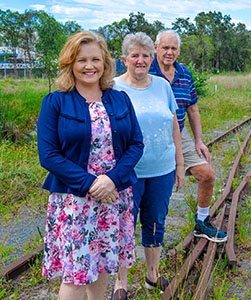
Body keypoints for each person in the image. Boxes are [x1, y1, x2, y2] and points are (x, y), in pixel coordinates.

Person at [37, 31, 143, 300]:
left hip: (113, 197)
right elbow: (48, 155)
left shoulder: (120, 99)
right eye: (81, 60)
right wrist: (93, 184)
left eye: (96, 59)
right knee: (75, 274)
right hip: (75, 201)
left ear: (105, 62)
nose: (89, 66)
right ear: (70, 63)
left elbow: (135, 145)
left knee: (105, 264)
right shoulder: (56, 101)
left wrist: (112, 180)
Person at [112, 32, 184, 299]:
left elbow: (174, 124)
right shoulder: (113, 88)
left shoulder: (163, 86)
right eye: (135, 56)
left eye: (145, 56)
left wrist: (179, 163)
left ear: (151, 58)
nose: (140, 60)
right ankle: (121, 282)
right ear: (124, 59)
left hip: (162, 169)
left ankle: (152, 276)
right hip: (127, 173)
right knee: (124, 225)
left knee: (155, 223)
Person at [149, 30, 227, 243]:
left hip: (179, 131)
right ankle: (154, 240)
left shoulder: (184, 73)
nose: (169, 52)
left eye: (174, 48)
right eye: (165, 47)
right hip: (151, 136)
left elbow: (192, 109)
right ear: (155, 48)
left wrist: (198, 140)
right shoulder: (147, 71)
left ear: (179, 51)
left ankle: (202, 222)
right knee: (158, 189)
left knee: (207, 174)